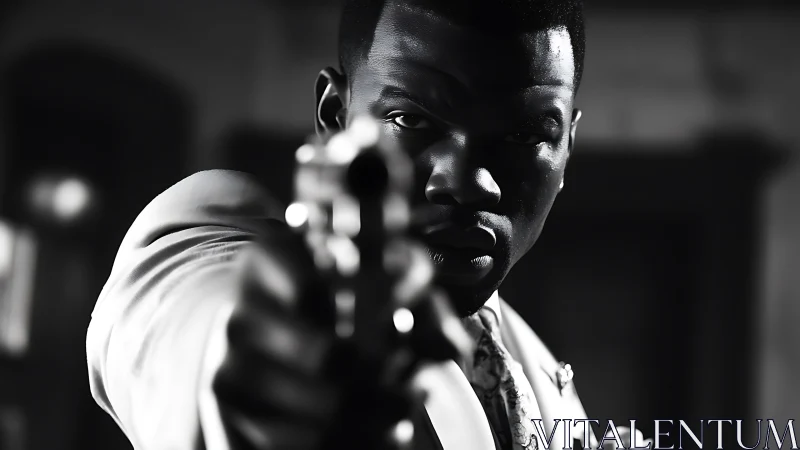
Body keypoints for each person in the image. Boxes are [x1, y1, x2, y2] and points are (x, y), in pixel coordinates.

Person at [85, 0, 642, 449]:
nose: (472, 183)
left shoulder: (532, 364)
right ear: (335, 117)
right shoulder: (202, 237)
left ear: (567, 148)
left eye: (525, 136)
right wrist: (273, 363)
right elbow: (191, 313)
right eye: (411, 119)